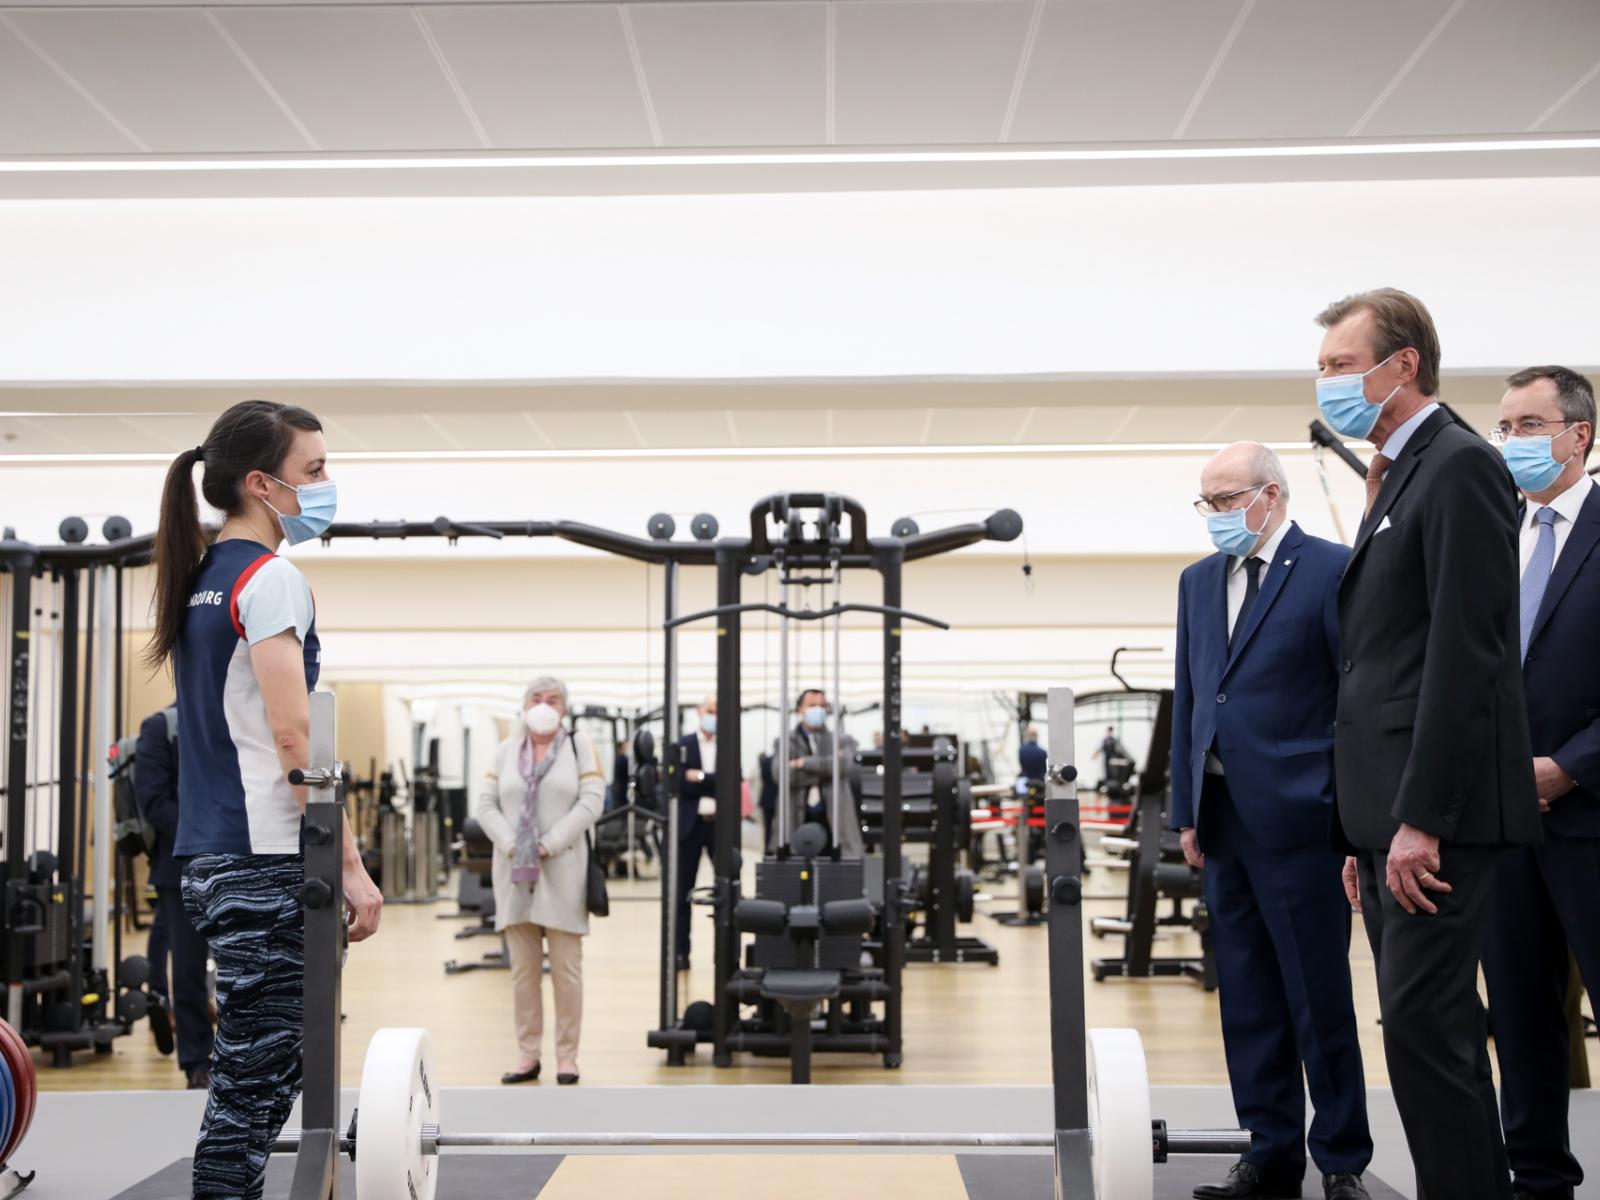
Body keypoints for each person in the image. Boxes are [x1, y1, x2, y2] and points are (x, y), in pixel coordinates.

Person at [1316, 288, 1539, 1200]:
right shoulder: (1398, 476)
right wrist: (1365, 830)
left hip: (1435, 817)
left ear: (1401, 365)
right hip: (1390, 814)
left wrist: (1418, 821)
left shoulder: (1458, 467)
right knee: (1422, 1030)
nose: (1329, 383)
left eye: (1341, 365)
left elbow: (1467, 655)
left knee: (1426, 1026)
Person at [146, 400, 383, 1200]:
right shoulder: (270, 576)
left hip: (215, 856)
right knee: (258, 1074)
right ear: (260, 483)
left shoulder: (201, 577)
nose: (326, 486)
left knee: (264, 1061)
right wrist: (348, 861)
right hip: (265, 857)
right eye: (313, 472)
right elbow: (294, 739)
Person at [1171, 442, 1371, 1200]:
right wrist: (1186, 809)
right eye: (1207, 502)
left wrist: (1348, 811)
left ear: (1272, 495)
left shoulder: (1330, 568)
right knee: (1249, 997)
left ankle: (1344, 1159)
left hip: (1301, 818)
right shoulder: (1197, 583)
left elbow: (1352, 698)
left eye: (1228, 499)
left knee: (1317, 996)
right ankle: (1270, 1149)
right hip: (1222, 821)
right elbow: (1192, 698)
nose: (1217, 514)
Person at [1481, 366, 1600, 1200]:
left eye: (1529, 424)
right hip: (1504, 828)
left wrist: (1569, 767)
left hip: (1592, 815)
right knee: (1521, 1018)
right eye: (1505, 426)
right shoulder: (1495, 537)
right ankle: (1538, 1179)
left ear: (1579, 434)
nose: (1512, 441)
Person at [476, 677, 605, 1087]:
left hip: (563, 868)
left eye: (552, 700)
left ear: (564, 708)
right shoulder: (505, 750)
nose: (544, 705)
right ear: (524, 705)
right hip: (515, 873)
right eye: (536, 698)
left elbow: (592, 801)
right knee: (522, 972)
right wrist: (513, 843)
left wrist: (548, 843)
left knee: (567, 971)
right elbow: (484, 805)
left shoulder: (579, 746)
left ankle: (567, 1057)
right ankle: (527, 1055)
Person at [134, 703, 214, 1090]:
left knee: (245, 968)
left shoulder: (233, 716)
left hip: (238, 861)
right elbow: (152, 800)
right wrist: (204, 834)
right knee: (187, 971)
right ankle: (197, 1060)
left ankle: (241, 1059)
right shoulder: (160, 727)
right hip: (179, 866)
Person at [783, 689, 862, 855]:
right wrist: (828, 768)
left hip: (834, 823)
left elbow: (844, 765)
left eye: (821, 706)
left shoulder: (842, 740)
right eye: (812, 705)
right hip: (798, 820)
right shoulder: (785, 742)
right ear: (800, 709)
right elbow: (782, 775)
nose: (817, 710)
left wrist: (804, 763)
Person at [674, 696, 718, 969]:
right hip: (690, 826)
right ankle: (681, 952)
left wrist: (699, 777)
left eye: (717, 711)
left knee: (727, 888)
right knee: (682, 892)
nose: (713, 715)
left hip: (719, 826)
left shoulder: (729, 743)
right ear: (699, 711)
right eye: (710, 710)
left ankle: (725, 953)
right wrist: (710, 780)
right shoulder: (684, 744)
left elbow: (730, 780)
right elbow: (679, 781)